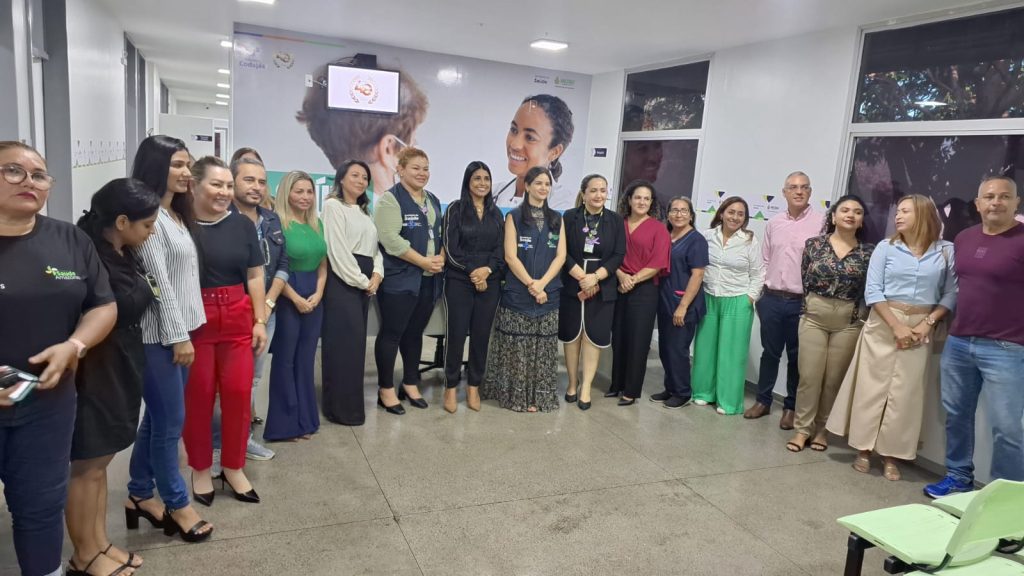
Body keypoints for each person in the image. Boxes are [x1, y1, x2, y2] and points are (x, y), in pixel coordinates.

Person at [0, 141, 117, 576]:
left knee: (41, 506)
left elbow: (102, 305)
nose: (29, 181)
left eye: (38, 175)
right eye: (13, 171)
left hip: (47, 405)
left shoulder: (69, 239)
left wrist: (74, 346)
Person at [64, 179, 160, 576]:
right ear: (122, 221)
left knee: (101, 464)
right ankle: (83, 556)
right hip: (96, 371)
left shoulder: (123, 253)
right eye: (147, 225)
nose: (151, 232)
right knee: (86, 466)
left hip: (122, 361)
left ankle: (100, 542)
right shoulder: (89, 257)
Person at [827, 194, 957, 481]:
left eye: (906, 211)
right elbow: (873, 290)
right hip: (884, 321)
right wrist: (896, 326)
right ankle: (863, 449)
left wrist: (927, 324)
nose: (898, 216)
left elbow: (950, 292)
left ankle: (891, 455)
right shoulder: (886, 247)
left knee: (906, 394)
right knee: (870, 387)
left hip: (922, 326)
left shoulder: (945, 250)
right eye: (898, 211)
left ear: (923, 214)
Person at [125, 135, 212, 544]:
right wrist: (179, 337)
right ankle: (178, 503)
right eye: (177, 164)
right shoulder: (149, 219)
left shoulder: (173, 213)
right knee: (169, 426)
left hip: (181, 331)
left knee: (156, 420)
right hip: (161, 336)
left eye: (187, 164)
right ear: (155, 166)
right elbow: (158, 283)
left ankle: (139, 494)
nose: (184, 172)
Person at [925, 176, 1024, 498]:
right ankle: (958, 477)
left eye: (1004, 196)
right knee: (956, 414)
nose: (997, 202)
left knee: (1007, 428)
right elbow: (956, 288)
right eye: (990, 196)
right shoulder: (964, 239)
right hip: (960, 341)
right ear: (978, 204)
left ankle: (1003, 498)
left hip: (1007, 347)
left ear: (1016, 203)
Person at [184, 156, 268, 506]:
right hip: (195, 320)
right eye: (216, 185)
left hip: (237, 317)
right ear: (194, 185)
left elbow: (255, 274)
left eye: (228, 186)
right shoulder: (179, 225)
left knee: (237, 394)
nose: (224, 192)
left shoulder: (242, 225)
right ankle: (201, 468)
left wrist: (260, 320)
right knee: (199, 398)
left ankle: (233, 466)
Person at [786, 195, 874, 452]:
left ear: (861, 221)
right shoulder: (814, 245)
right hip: (814, 316)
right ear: (833, 216)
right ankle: (802, 430)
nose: (850, 215)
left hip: (848, 320)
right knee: (809, 377)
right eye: (844, 210)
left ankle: (823, 429)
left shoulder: (868, 252)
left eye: (857, 212)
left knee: (833, 379)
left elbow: (868, 289)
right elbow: (805, 279)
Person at [482, 166, 566, 412]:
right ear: (527, 186)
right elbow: (510, 256)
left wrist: (542, 285)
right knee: (517, 349)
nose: (543, 188)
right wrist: (532, 284)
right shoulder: (514, 217)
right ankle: (516, 396)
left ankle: (538, 397)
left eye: (547, 184)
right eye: (538, 183)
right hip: (519, 294)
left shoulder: (556, 219)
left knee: (543, 349)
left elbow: (560, 256)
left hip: (548, 295)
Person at [745, 171, 825, 429]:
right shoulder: (774, 222)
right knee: (769, 353)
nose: (798, 191)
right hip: (771, 299)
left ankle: (790, 407)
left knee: (796, 357)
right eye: (793, 187)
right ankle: (763, 401)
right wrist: (760, 297)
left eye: (804, 187)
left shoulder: (821, 223)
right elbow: (765, 260)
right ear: (784, 192)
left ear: (810, 192)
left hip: (801, 302)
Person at [222, 156, 288, 461]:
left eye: (262, 182)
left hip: (265, 314)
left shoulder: (271, 220)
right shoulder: (221, 218)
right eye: (249, 180)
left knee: (253, 379)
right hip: (232, 313)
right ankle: (222, 443)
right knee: (229, 381)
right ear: (233, 180)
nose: (257, 187)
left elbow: (282, 264)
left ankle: (243, 438)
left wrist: (269, 303)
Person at [298, 57, 428, 205]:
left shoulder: (345, 203)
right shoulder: (386, 207)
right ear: (388, 148)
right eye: (411, 142)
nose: (414, 147)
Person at [373, 147, 443, 414]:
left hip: (428, 280)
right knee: (392, 333)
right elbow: (391, 240)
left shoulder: (432, 199)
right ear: (399, 170)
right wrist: (424, 261)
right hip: (399, 280)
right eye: (415, 168)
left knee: (415, 333)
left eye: (425, 168)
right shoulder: (390, 200)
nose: (422, 173)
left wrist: (440, 258)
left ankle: (411, 382)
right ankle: (386, 389)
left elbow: (440, 233)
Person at [264, 171, 326, 440]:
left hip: (314, 295)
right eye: (298, 191)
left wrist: (319, 292)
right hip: (288, 296)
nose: (305, 197)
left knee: (305, 360)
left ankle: (306, 421)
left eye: (309, 192)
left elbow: (323, 263)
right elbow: (276, 267)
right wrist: (296, 298)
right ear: (286, 193)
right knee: (285, 361)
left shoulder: (317, 223)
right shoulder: (278, 224)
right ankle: (284, 425)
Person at [321, 161, 383, 425]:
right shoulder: (333, 206)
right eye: (355, 175)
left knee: (356, 348)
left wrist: (377, 274)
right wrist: (361, 280)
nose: (361, 180)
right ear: (341, 179)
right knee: (341, 348)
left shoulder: (364, 212)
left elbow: (375, 250)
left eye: (365, 177)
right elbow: (338, 252)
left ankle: (352, 407)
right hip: (344, 284)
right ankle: (338, 409)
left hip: (363, 285)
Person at [441, 161, 505, 413]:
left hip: (489, 281)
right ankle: (450, 387)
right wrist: (472, 272)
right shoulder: (455, 210)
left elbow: (500, 248)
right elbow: (450, 247)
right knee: (456, 336)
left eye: (486, 178)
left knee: (480, 336)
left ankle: (474, 386)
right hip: (459, 280)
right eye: (477, 178)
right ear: (468, 181)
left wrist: (487, 270)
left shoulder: (496, 213)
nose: (482, 183)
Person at [692, 197, 765, 415]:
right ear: (722, 213)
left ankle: (728, 401)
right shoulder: (707, 236)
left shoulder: (749, 241)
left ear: (745, 219)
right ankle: (704, 392)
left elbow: (759, 273)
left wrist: (749, 299)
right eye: (731, 212)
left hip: (737, 299)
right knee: (704, 349)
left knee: (732, 353)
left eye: (740, 214)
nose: (735, 217)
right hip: (709, 296)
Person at [559, 174, 625, 411]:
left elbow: (618, 254)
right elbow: (562, 250)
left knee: (593, 337)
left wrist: (595, 277)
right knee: (572, 336)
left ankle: (586, 386)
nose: (599, 195)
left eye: (603, 190)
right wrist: (579, 275)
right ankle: (572, 383)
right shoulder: (569, 217)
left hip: (602, 285)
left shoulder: (615, 221)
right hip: (573, 282)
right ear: (584, 193)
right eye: (594, 190)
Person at [608, 180, 671, 406]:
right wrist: (621, 276)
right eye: (638, 197)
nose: (642, 201)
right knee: (619, 338)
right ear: (629, 200)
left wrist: (632, 279)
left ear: (651, 202)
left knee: (638, 341)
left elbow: (658, 262)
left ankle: (631, 390)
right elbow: (608, 253)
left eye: (646, 198)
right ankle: (616, 384)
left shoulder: (658, 228)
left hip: (644, 290)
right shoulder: (618, 224)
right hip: (619, 284)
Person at [652, 197, 709, 409]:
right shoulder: (667, 235)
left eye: (684, 210)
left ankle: (683, 392)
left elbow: (698, 274)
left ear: (691, 215)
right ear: (668, 214)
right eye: (674, 210)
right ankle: (671, 387)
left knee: (678, 349)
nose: (679, 214)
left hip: (683, 303)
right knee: (666, 348)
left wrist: (683, 305)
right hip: (665, 300)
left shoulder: (696, 240)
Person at [493, 95, 576, 210]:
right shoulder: (492, 193)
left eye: (530, 138)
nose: (514, 145)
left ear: (555, 152)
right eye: (514, 130)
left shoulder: (564, 205)